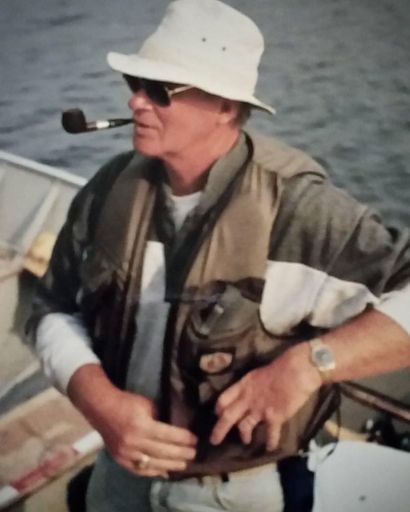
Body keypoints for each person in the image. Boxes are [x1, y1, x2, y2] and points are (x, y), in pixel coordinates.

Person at [26, 1, 410, 511]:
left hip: (239, 490)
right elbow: (49, 307)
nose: (137, 101)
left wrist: (308, 365)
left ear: (226, 107)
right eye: (135, 83)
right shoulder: (108, 191)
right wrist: (97, 399)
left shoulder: (301, 210)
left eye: (160, 90)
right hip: (118, 472)